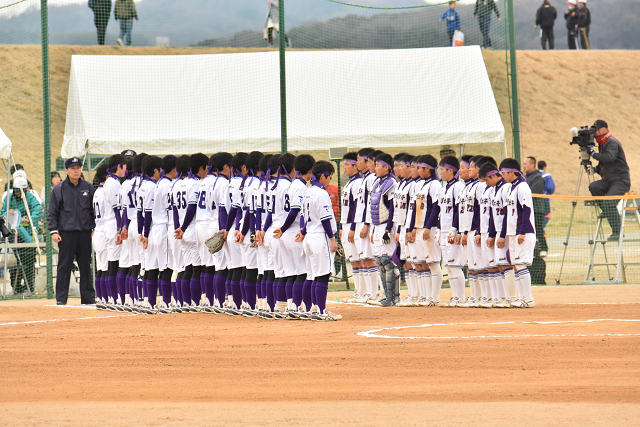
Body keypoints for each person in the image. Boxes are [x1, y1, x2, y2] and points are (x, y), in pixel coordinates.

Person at [48, 157, 96, 305]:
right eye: (73, 168)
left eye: (78, 167)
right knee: (64, 266)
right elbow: (52, 212)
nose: (76, 170)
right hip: (66, 233)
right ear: (66, 170)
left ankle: (88, 298)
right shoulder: (59, 189)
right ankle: (61, 298)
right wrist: (53, 232)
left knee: (85, 266)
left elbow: (95, 210)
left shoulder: (88, 187)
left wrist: (95, 228)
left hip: (85, 233)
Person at [499, 158, 536, 308]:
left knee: (521, 265)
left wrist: (522, 232)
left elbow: (526, 210)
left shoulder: (522, 187)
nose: (503, 176)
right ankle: (522, 298)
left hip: (523, 232)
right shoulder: (510, 188)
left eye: (504, 173)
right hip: (514, 233)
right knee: (516, 266)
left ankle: (528, 299)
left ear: (512, 172)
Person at [588, 120, 630, 241]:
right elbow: (603, 164)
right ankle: (606, 211)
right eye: (594, 129)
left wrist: (592, 154)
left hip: (621, 181)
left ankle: (617, 232)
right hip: (608, 181)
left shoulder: (611, 141)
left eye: (598, 129)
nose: (595, 132)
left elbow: (610, 158)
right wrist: (594, 170)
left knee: (609, 202)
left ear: (606, 129)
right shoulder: (602, 143)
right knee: (594, 187)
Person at [1, 176, 40, 294]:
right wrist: (7, 212)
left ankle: (30, 287)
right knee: (15, 261)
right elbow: (2, 212)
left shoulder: (31, 198)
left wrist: (28, 219)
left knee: (28, 261)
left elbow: (37, 211)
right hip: (13, 235)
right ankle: (16, 287)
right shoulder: (9, 198)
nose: (18, 194)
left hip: (28, 235)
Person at [523, 156, 548, 257]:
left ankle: (544, 248)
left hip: (537, 209)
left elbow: (533, 192)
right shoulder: (525, 177)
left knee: (538, 229)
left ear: (532, 165)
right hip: (527, 208)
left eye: (526, 164)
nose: (524, 166)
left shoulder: (538, 177)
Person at [538, 160, 555, 229]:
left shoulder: (534, 175)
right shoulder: (547, 176)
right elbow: (551, 188)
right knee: (547, 215)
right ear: (544, 167)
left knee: (538, 216)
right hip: (544, 199)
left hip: (535, 199)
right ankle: (540, 230)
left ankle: (539, 231)